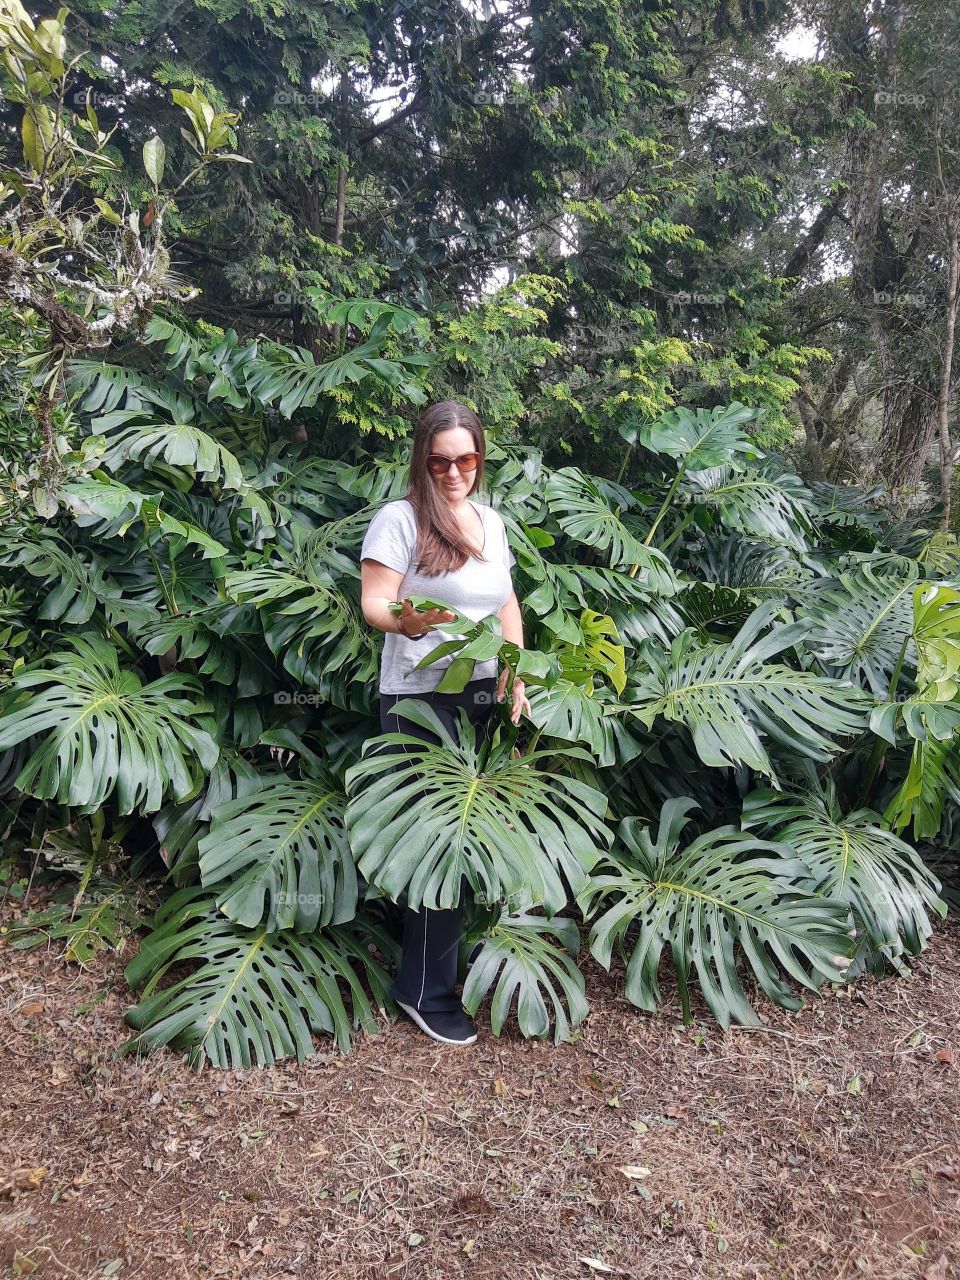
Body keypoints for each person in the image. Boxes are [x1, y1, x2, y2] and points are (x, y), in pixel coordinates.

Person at [359, 399, 531, 1046]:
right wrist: (404, 619)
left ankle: (430, 975)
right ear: (422, 461)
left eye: (465, 459)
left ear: (480, 458)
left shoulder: (490, 521)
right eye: (440, 461)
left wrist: (514, 666)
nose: (454, 472)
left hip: (479, 693)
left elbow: (506, 599)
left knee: (465, 834)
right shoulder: (399, 520)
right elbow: (374, 601)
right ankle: (422, 991)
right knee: (437, 842)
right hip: (419, 699)